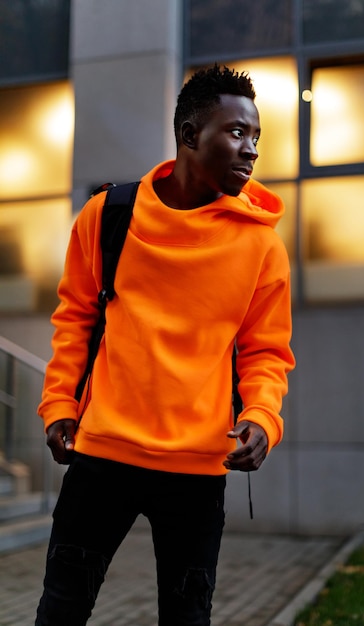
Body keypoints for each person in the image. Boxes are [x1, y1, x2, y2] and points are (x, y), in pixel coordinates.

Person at [35, 64, 295, 626]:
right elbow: (76, 319)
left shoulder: (262, 247)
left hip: (199, 467)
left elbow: (265, 351)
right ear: (189, 135)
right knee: (61, 611)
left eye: (256, 138)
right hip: (101, 455)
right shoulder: (108, 217)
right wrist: (58, 405)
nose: (250, 150)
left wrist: (261, 417)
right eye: (235, 133)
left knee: (187, 619)